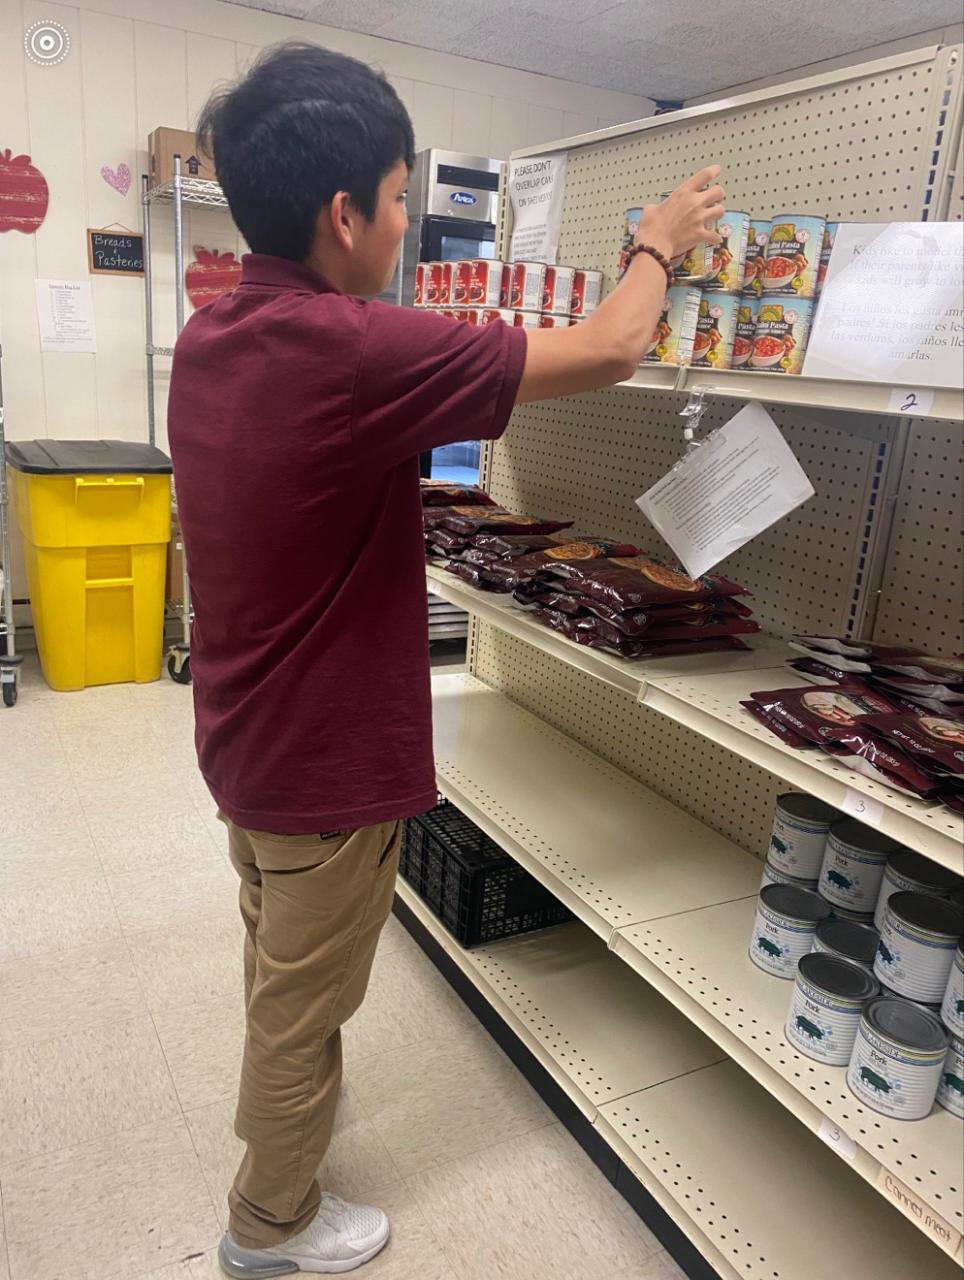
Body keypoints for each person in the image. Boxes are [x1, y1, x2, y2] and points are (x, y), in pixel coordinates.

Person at [168, 40, 723, 1279]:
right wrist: (655, 245)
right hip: (323, 762)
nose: (405, 222)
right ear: (344, 213)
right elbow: (612, 348)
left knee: (278, 958)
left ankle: (293, 1124)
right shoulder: (353, 347)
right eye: (398, 197)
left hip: (247, 738)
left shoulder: (217, 330)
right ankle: (269, 1222)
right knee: (301, 1003)